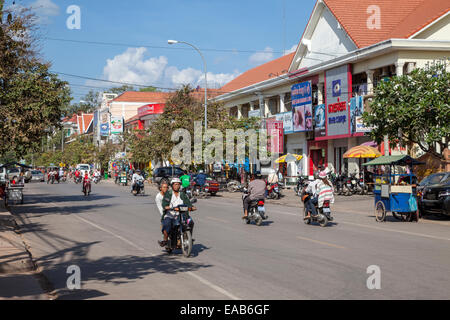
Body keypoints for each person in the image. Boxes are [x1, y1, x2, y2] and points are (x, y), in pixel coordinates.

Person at [158, 178, 196, 248]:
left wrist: (192, 207)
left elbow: (187, 203)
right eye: (175, 184)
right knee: (167, 224)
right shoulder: (168, 194)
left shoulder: (182, 194)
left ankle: (188, 237)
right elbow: (164, 203)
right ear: (172, 185)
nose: (177, 186)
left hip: (181, 215)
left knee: (190, 222)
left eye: (178, 184)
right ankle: (165, 240)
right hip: (170, 215)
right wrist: (167, 207)